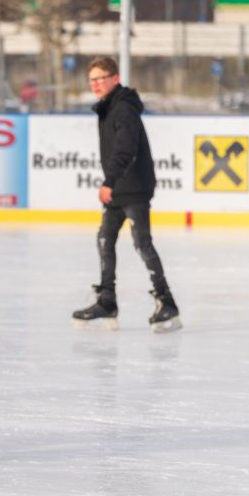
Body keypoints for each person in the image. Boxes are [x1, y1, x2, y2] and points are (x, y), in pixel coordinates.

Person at [72, 56, 182, 333]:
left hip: (132, 188)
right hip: (121, 189)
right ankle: (107, 300)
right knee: (104, 239)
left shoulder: (123, 109)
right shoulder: (109, 107)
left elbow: (126, 150)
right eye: (92, 80)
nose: (96, 85)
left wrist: (108, 181)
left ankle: (166, 302)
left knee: (142, 243)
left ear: (115, 79)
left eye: (101, 79)